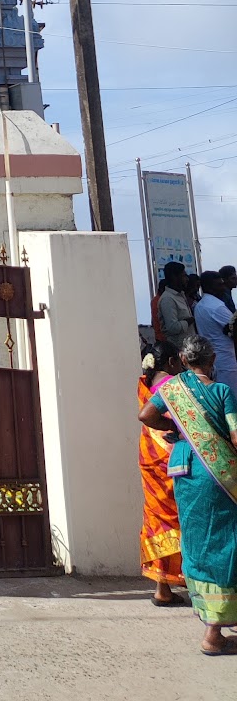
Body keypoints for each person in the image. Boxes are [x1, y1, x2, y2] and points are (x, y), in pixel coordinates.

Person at [140, 334, 237, 655]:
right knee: (226, 540)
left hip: (184, 470)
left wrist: (177, 425)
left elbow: (146, 416)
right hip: (217, 473)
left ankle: (210, 616)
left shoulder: (170, 389)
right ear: (212, 361)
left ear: (183, 360)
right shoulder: (221, 390)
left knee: (197, 540)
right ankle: (214, 632)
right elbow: (235, 435)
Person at [137, 342, 186, 605]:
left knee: (157, 521)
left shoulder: (143, 386)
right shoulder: (173, 387)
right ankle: (191, 583)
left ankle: (162, 589)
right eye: (179, 362)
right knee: (182, 518)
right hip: (169, 461)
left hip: (149, 459)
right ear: (170, 363)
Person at [194, 273, 237, 398]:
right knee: (231, 400)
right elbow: (234, 326)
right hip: (227, 361)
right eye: (219, 285)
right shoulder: (216, 307)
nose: (223, 288)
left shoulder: (200, 305)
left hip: (213, 360)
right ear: (209, 287)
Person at [158, 262, 195, 352]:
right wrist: (189, 321)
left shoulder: (180, 295)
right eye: (184, 276)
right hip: (179, 350)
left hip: (189, 348)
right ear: (174, 277)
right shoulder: (167, 299)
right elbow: (172, 327)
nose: (187, 279)